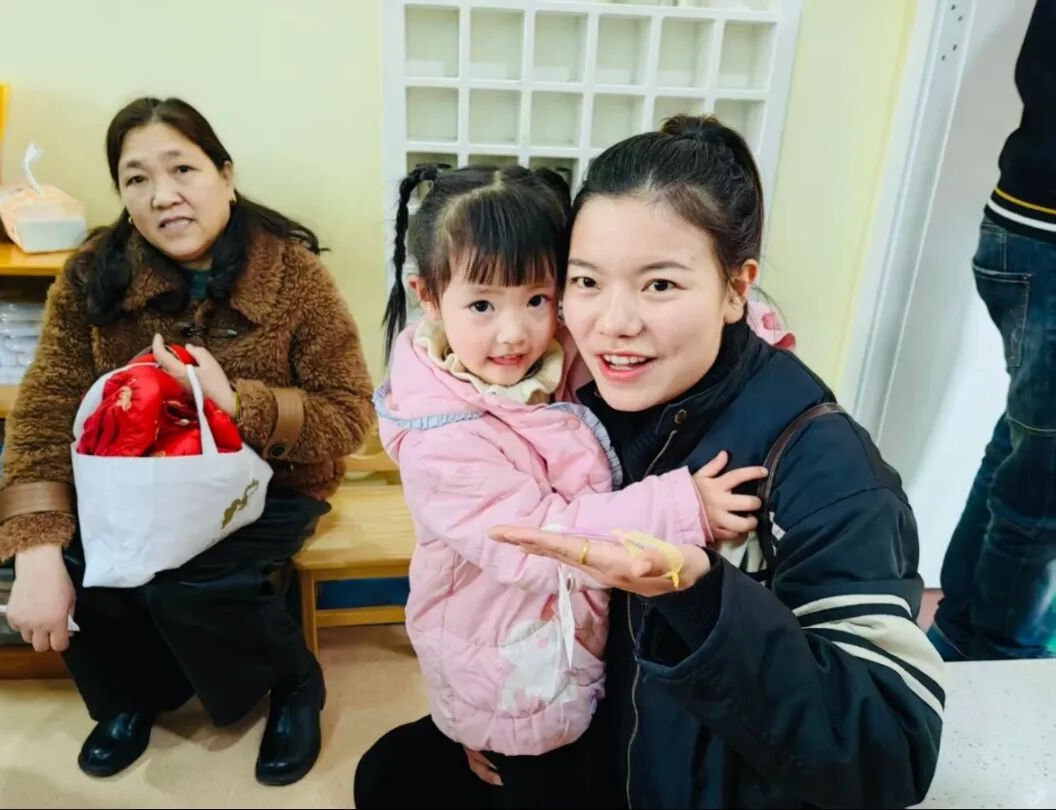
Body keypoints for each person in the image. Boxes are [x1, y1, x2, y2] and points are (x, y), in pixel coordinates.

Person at [361, 114, 946, 808]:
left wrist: (701, 595)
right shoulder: (565, 387)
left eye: (660, 285)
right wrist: (490, 709)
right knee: (389, 776)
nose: (615, 323)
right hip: (570, 719)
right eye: (586, 281)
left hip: (681, 777)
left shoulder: (819, 461)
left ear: (737, 289)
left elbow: (892, 751)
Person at [355, 163, 773, 808]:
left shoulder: (546, 356)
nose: (514, 332)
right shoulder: (442, 439)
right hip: (510, 666)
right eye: (482, 304)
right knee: (536, 780)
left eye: (537, 298)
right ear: (428, 296)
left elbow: (647, 336)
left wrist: (742, 331)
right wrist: (680, 507)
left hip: (560, 638)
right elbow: (541, 538)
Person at [0, 97, 373, 785]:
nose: (162, 195)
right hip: (132, 482)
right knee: (81, 562)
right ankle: (131, 696)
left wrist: (238, 404)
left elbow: (349, 414)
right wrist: (36, 552)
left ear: (225, 174)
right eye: (136, 178)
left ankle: (293, 682)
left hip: (269, 484)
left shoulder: (294, 277)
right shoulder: (93, 277)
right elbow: (45, 410)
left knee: (193, 582)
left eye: (182, 169)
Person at [928, 0, 1056, 661]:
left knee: (1024, 446)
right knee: (1041, 484)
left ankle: (964, 628)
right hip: (1044, 237)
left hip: (1026, 229)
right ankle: (1000, 657)